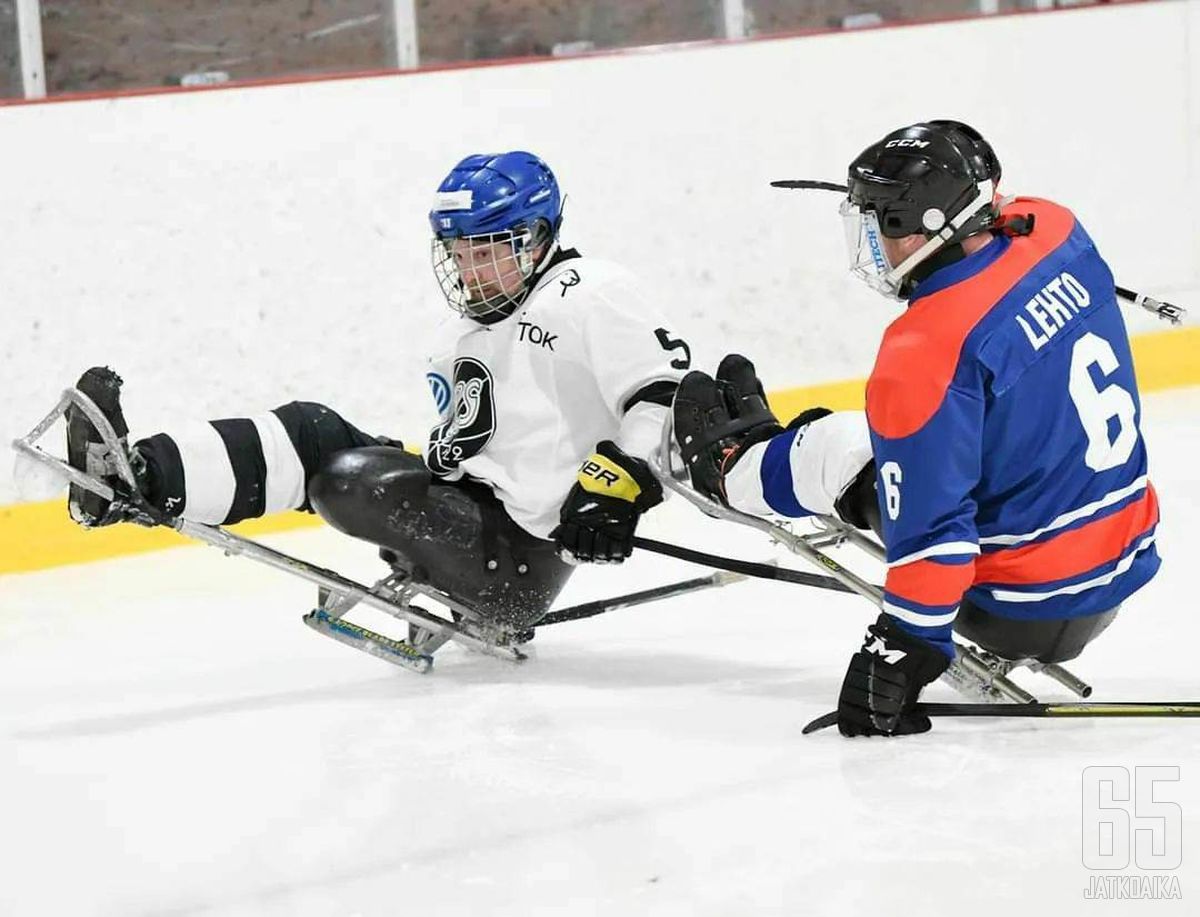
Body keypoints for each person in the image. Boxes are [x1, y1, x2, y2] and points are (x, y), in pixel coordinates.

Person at [66, 150, 691, 640]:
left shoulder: (589, 292)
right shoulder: (464, 333)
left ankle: (131, 482)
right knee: (313, 430)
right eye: (459, 252)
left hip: (516, 558)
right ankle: (131, 479)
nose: (470, 270)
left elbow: (662, 392)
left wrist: (621, 487)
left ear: (536, 237)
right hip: (474, 511)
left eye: (487, 251)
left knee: (350, 479)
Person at [672, 120, 1160, 736]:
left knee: (840, 444)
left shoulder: (924, 347)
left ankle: (733, 470)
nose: (871, 239)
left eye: (879, 220)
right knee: (967, 433)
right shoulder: (1060, 230)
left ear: (924, 226)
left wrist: (902, 650)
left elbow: (936, 535)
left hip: (1020, 605)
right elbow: (1006, 208)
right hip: (1122, 562)